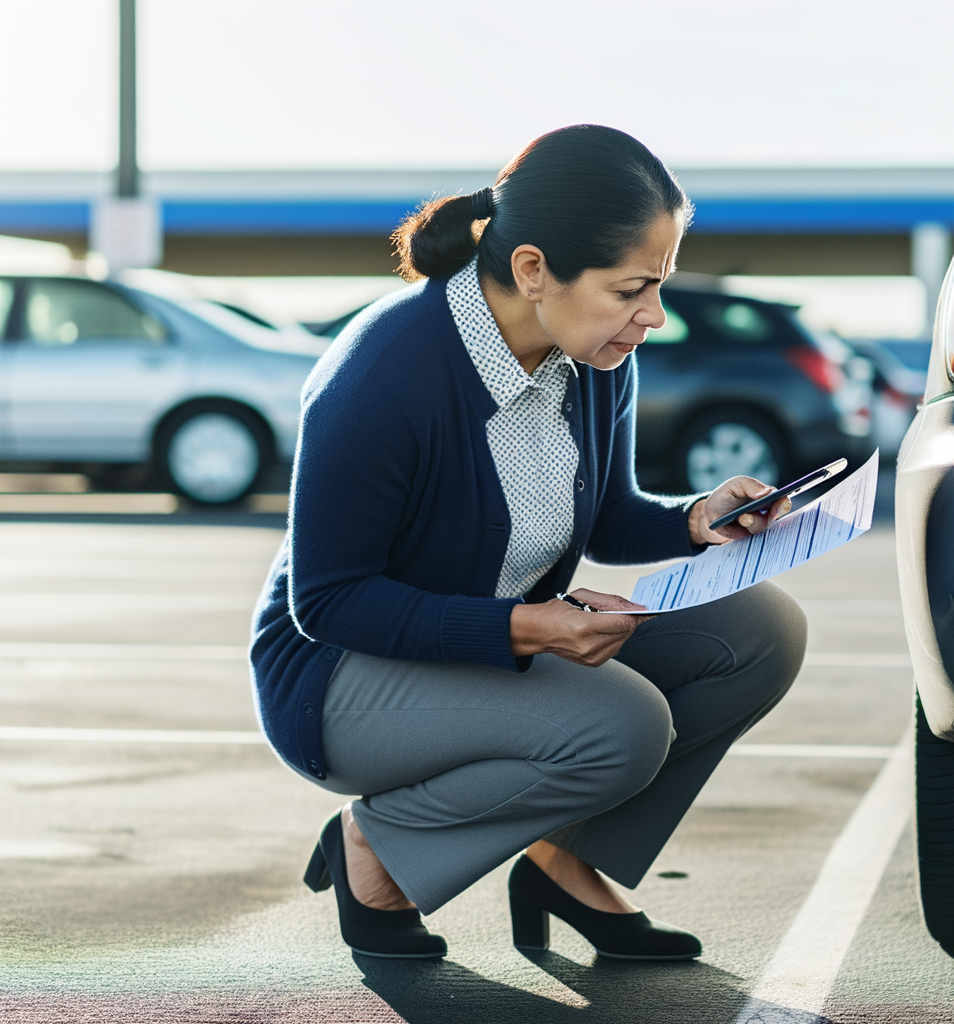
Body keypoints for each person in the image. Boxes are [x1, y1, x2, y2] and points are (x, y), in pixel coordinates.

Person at [250, 124, 808, 961]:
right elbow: (329, 602)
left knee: (761, 630)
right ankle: (375, 848)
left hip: (479, 637)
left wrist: (696, 518)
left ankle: (563, 860)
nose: (653, 316)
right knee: (622, 728)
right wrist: (525, 628)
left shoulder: (595, 357)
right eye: (631, 289)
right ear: (534, 269)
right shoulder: (382, 373)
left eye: (658, 285)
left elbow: (605, 515)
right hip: (337, 677)